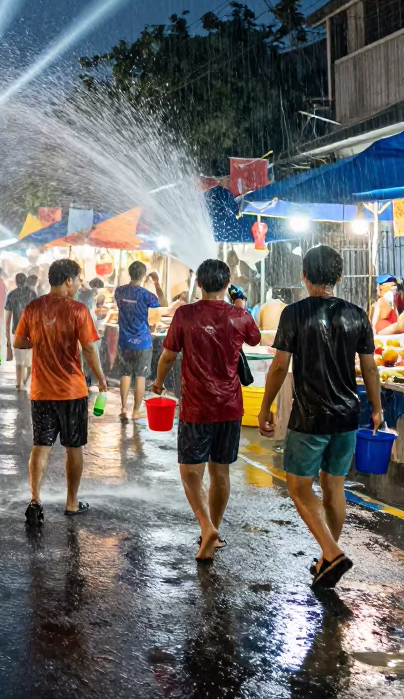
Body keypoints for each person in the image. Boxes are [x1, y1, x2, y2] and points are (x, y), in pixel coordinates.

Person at [258, 245, 383, 591]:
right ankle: (327, 557)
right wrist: (376, 408)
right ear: (339, 277)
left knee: (298, 487)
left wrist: (266, 405)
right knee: (334, 486)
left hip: (310, 417)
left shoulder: (294, 313)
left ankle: (332, 551)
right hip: (346, 416)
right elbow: (369, 367)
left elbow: (280, 365)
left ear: (305, 275)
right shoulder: (357, 314)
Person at [151, 260, 261, 562]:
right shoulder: (239, 315)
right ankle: (214, 530)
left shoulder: (185, 314)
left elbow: (168, 356)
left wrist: (158, 381)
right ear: (226, 284)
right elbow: (255, 338)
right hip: (229, 406)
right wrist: (241, 305)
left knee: (190, 471)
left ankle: (206, 525)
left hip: (196, 407)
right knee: (220, 471)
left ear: (199, 283)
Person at [14, 259, 106, 525]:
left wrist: (41, 340)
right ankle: (72, 502)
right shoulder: (78, 310)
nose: (79, 284)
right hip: (72, 390)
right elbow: (89, 349)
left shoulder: (33, 307)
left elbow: (19, 341)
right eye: (78, 279)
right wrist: (100, 378)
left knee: (41, 446)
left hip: (41, 390)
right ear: (68, 280)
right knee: (73, 446)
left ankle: (35, 500)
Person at [113, 261, 164, 422]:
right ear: (143, 275)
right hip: (142, 342)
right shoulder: (145, 294)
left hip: (125, 341)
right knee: (141, 376)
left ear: (130, 273)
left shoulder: (119, 291)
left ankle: (123, 408)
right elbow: (162, 302)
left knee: (125, 374)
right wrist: (156, 283)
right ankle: (135, 411)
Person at [5, 272, 37, 390]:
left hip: (17, 331)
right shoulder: (33, 294)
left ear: (16, 282)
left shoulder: (11, 295)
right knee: (29, 363)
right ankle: (23, 380)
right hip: (31, 332)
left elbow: (7, 319)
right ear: (26, 281)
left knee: (19, 361)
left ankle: (19, 384)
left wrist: (8, 340)